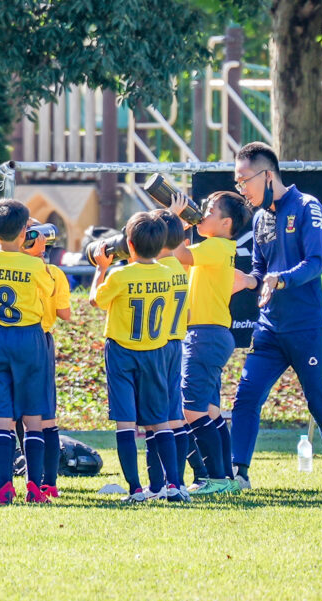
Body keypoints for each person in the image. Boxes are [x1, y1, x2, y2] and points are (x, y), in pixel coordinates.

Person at [229, 142, 322, 490]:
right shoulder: (259, 218)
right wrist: (248, 281)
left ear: (267, 175)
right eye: (237, 182)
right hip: (270, 329)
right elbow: (259, 270)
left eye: (244, 180)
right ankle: (239, 473)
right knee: (246, 397)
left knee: (319, 402)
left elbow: (316, 263)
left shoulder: (308, 207)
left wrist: (280, 279)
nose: (242, 189)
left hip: (311, 326)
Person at [90, 211, 187, 503]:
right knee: (160, 422)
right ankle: (174, 485)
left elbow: (96, 300)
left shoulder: (120, 274)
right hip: (156, 350)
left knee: (126, 424)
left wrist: (100, 268)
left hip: (122, 351)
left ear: (128, 244)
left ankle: (135, 489)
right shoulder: (169, 273)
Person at [169, 192, 253, 495]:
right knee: (211, 411)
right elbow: (180, 255)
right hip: (211, 334)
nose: (201, 213)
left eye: (209, 210)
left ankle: (215, 479)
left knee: (191, 410)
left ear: (226, 222)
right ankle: (226, 477)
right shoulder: (217, 247)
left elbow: (183, 255)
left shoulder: (217, 246)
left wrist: (177, 219)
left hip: (204, 335)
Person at [0, 200, 54, 505]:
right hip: (29, 337)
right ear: (25, 232)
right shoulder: (34, 264)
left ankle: (3, 487)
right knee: (33, 417)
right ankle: (35, 488)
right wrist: (34, 247)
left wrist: (15, 233)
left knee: (1, 417)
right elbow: (47, 288)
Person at [21, 222, 71, 498]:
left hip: (10, 338)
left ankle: (23, 481)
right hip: (42, 340)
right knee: (46, 416)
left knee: (15, 418)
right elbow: (65, 313)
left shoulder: (7, 267)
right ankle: (48, 483)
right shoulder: (53, 273)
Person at [146, 209, 190, 500]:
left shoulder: (157, 270)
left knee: (155, 418)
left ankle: (159, 483)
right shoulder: (180, 267)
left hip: (158, 346)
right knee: (175, 416)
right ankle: (177, 481)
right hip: (177, 343)